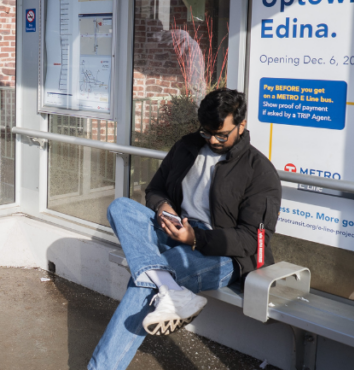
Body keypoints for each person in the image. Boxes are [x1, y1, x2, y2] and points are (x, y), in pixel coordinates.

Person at [88, 88, 281, 370]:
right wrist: (164, 206)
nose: (213, 140)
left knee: (145, 282)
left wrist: (196, 237)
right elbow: (154, 189)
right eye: (207, 133)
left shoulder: (259, 170)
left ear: (242, 125)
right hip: (176, 230)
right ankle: (169, 288)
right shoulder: (187, 146)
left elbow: (252, 240)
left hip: (220, 255)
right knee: (120, 208)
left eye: (221, 134)